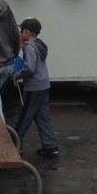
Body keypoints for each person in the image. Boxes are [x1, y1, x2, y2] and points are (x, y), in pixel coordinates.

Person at [12, 17, 59, 157]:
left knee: (24, 115)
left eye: (22, 31)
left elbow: (30, 68)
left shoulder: (29, 47)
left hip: (33, 87)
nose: (20, 33)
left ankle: (16, 145)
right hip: (44, 84)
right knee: (42, 116)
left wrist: (17, 75)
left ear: (27, 31)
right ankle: (50, 146)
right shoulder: (39, 45)